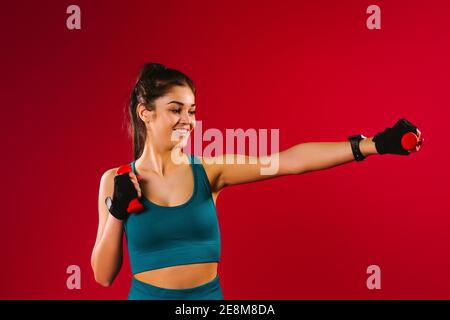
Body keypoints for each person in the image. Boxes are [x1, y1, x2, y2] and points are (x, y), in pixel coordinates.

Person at [90, 62, 423, 300]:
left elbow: (289, 162)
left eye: (192, 111)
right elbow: (103, 277)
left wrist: (373, 144)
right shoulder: (117, 180)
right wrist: (117, 211)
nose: (188, 121)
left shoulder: (209, 171)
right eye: (175, 110)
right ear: (144, 112)